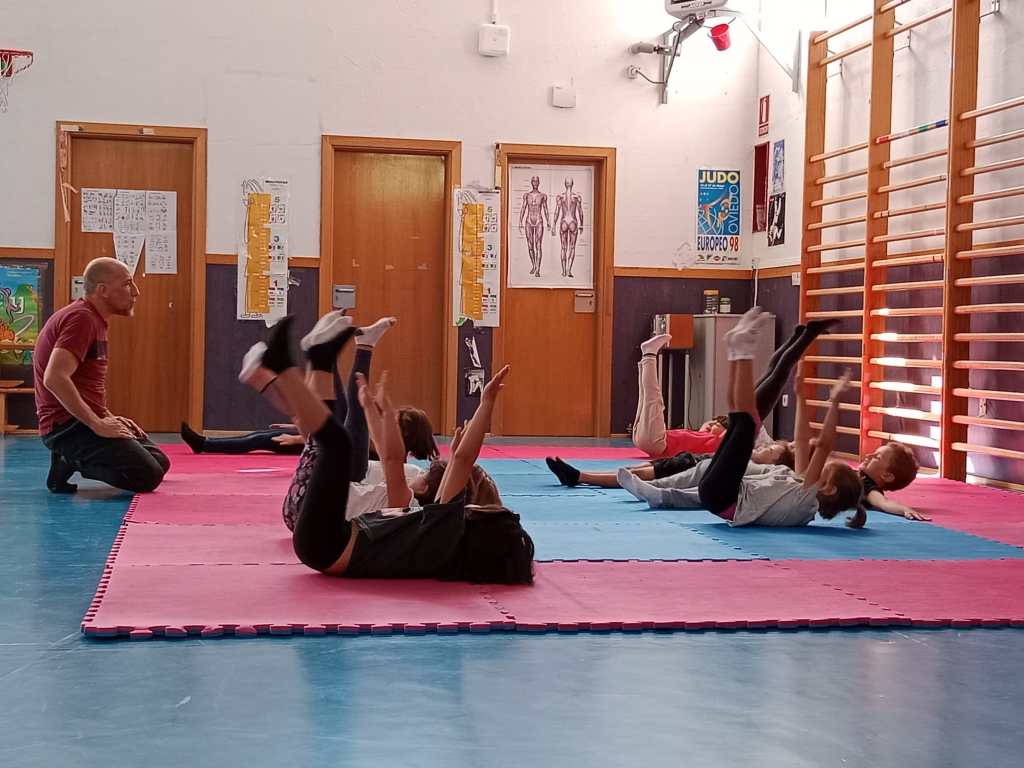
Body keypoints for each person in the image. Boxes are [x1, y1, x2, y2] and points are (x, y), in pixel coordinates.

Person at [240, 315, 533, 582]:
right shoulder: (434, 530)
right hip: (326, 543)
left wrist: (487, 403)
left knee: (336, 445)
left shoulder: (444, 530)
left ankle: (286, 367)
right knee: (331, 443)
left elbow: (462, 459)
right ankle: (283, 370)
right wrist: (379, 413)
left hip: (330, 544)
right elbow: (452, 459)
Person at [621, 309, 864, 527]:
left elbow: (824, 445)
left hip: (725, 498)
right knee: (739, 418)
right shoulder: (801, 483)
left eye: (825, 468)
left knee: (748, 423)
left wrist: (835, 401)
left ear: (829, 489)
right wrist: (800, 396)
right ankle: (736, 351)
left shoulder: (807, 498)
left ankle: (741, 351)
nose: (818, 464)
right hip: (718, 494)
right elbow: (802, 441)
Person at [33, 257, 169, 494]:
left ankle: (72, 457)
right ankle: (68, 459)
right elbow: (55, 378)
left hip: (82, 419)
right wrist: (97, 424)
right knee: (148, 475)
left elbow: (85, 384)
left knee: (159, 462)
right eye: (127, 284)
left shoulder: (93, 318)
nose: (135, 291)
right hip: (66, 428)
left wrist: (108, 417)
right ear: (103, 290)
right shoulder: (82, 319)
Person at [632, 333, 776, 459]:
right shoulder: (701, 435)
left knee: (653, 398)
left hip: (656, 442)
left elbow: (749, 420)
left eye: (717, 425)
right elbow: (707, 426)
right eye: (713, 422)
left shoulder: (723, 443)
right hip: (647, 438)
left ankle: (649, 355)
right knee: (645, 396)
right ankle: (646, 357)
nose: (711, 424)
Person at [544, 440, 794, 490]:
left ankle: (580, 476)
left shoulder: (759, 470)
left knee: (640, 475)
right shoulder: (748, 456)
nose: (762, 448)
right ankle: (581, 475)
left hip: (689, 466)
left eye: (768, 451)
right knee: (632, 470)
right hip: (689, 459)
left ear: (775, 463)